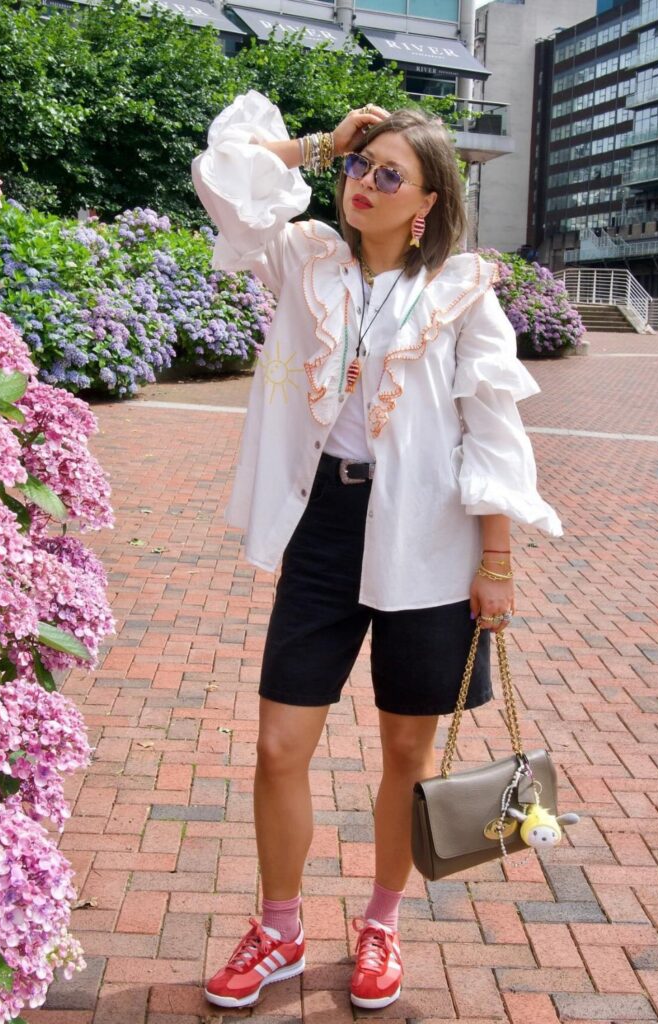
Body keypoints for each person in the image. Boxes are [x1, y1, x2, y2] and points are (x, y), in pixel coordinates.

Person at [192, 90, 562, 1011]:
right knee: (280, 745)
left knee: (407, 751)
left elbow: (492, 430)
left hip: (428, 542)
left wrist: (497, 560)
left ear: (427, 199)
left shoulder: (463, 288)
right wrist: (318, 141)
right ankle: (279, 929)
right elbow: (225, 171)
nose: (363, 184)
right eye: (359, 165)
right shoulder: (303, 258)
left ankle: (381, 924)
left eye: (387, 173)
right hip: (321, 528)